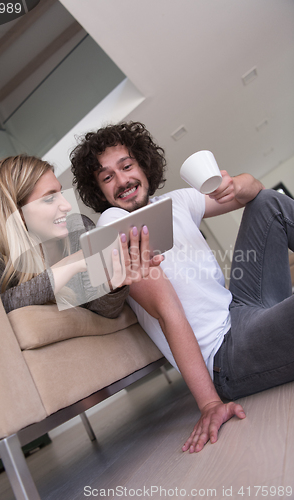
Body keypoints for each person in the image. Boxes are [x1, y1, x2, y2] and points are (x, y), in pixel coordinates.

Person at [70, 121, 294, 453]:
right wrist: (208, 403)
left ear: (143, 165)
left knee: (267, 204)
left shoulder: (178, 201)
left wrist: (240, 184)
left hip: (241, 309)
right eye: (107, 177)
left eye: (126, 166)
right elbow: (166, 312)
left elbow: (255, 191)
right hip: (225, 355)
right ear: (100, 192)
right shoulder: (114, 225)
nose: (121, 181)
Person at [0, 154, 162, 316]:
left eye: (60, 193)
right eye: (49, 198)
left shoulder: (79, 228)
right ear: (19, 213)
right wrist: (70, 264)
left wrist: (112, 285)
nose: (67, 206)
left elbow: (106, 313)